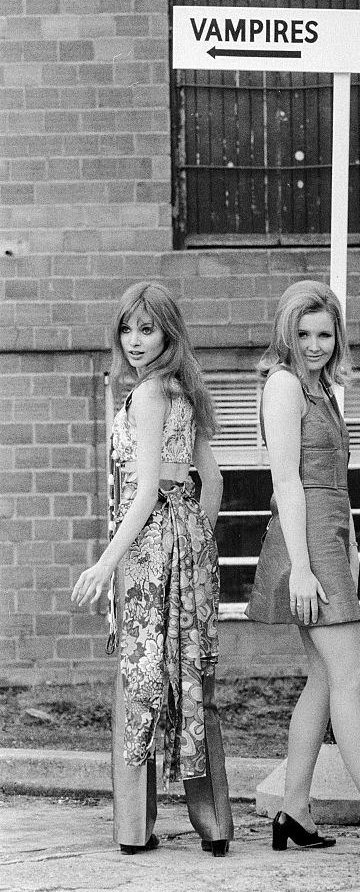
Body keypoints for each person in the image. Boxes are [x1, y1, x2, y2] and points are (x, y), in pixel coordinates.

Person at [245, 280, 360, 862]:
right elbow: (287, 482)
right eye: (303, 333)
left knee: (325, 680)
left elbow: (332, 483)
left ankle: (294, 810)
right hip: (306, 543)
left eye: (324, 333)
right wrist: (302, 567)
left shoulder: (320, 388)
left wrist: (347, 545)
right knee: (349, 676)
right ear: (285, 333)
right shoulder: (282, 385)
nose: (315, 344)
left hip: (327, 538)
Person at [71, 282, 233, 858]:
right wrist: (194, 539)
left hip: (144, 547)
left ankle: (134, 830)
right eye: (128, 328)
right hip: (188, 542)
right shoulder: (188, 391)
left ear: (169, 332)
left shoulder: (146, 396)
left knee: (139, 681)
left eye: (148, 329)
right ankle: (213, 826)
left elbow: (141, 494)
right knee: (193, 679)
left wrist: (105, 561)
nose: (135, 341)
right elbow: (212, 481)